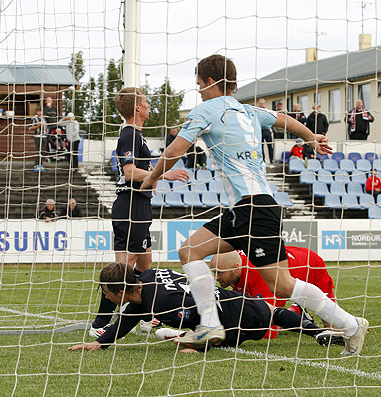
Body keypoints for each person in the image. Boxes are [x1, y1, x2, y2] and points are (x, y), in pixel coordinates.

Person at [141, 54, 367, 355]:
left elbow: (174, 151)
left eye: (199, 84)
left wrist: (153, 177)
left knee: (280, 285)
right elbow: (285, 120)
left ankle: (349, 325)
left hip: (251, 207)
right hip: (256, 206)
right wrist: (311, 138)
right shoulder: (248, 110)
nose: (199, 90)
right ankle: (211, 323)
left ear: (210, 82)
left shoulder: (206, 109)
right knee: (199, 254)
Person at [90, 87, 189, 338]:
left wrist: (151, 181)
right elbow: (129, 172)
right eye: (145, 102)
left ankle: (146, 317)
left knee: (145, 264)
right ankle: (100, 323)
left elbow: (139, 173)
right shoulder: (129, 135)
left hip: (140, 203)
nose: (148, 105)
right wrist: (161, 174)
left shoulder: (138, 135)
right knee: (124, 267)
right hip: (130, 205)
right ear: (136, 107)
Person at [69, 263, 340, 352]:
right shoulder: (147, 280)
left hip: (230, 319)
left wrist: (198, 345)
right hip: (228, 299)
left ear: (120, 291)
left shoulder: (160, 304)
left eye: (106, 292)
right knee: (271, 312)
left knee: (268, 316)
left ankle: (316, 330)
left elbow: (198, 318)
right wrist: (101, 343)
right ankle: (316, 331)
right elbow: (127, 319)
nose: (105, 296)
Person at [210, 247, 337, 331]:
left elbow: (268, 333)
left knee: (332, 325)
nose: (215, 278)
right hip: (287, 264)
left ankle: (297, 311)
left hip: (312, 265)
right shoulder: (234, 265)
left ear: (236, 268)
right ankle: (297, 311)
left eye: (219, 273)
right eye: (214, 272)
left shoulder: (260, 275)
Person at [29, 107, 47, 172]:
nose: (40, 113)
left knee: (43, 151)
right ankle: (36, 165)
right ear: (37, 112)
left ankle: (41, 165)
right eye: (39, 111)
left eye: (41, 111)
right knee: (39, 150)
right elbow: (30, 127)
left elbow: (46, 126)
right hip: (38, 136)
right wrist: (38, 126)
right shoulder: (34, 118)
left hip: (44, 136)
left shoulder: (44, 119)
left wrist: (46, 130)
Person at [257, 99, 274, 164]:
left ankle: (271, 160)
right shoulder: (257, 111)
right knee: (261, 146)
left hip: (267, 130)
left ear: (264, 104)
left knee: (270, 146)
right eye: (260, 103)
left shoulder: (267, 111)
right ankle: (263, 160)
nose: (261, 105)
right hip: (260, 130)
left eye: (262, 103)